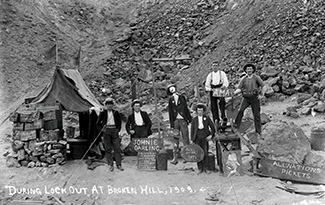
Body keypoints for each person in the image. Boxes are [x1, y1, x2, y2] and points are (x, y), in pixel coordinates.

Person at [233, 63, 266, 136]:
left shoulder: (256, 78)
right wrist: (234, 93)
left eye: (250, 69)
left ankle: (258, 132)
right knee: (240, 110)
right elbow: (239, 88)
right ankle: (236, 127)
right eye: (248, 69)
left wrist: (262, 95)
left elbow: (263, 86)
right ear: (245, 70)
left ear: (253, 70)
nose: (249, 70)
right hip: (246, 98)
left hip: (255, 98)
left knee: (256, 115)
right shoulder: (243, 79)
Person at [167, 84, 192, 165]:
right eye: (170, 89)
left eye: (173, 88)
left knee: (185, 138)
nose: (172, 90)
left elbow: (185, 108)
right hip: (175, 121)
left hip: (183, 119)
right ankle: (175, 157)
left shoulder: (182, 97)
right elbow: (170, 112)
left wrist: (189, 119)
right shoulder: (171, 100)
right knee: (175, 139)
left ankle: (187, 156)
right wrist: (172, 124)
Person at [96, 97, 123, 171]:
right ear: (106, 105)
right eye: (108, 104)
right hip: (106, 131)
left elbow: (119, 122)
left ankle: (119, 164)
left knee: (117, 147)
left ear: (113, 105)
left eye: (111, 104)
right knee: (108, 148)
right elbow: (98, 123)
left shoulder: (116, 112)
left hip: (114, 130)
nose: (109, 106)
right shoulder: (103, 113)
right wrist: (102, 130)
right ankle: (110, 164)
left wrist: (118, 130)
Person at [191, 103, 215, 174]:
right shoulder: (194, 119)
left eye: (201, 110)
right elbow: (192, 130)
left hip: (204, 135)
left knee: (205, 152)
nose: (200, 112)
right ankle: (200, 168)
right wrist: (192, 139)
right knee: (198, 152)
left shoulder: (207, 118)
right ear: (196, 111)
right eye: (198, 110)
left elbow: (212, 127)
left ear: (203, 111)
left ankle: (206, 168)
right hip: (197, 135)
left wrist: (211, 135)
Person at [205, 61, 229, 126]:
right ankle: (216, 120)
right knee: (213, 105)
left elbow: (226, 82)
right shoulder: (210, 75)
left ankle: (223, 116)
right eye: (213, 66)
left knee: (222, 101)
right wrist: (210, 89)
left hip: (220, 88)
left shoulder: (222, 73)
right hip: (213, 90)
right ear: (212, 67)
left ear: (218, 66)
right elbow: (207, 85)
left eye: (216, 65)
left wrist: (224, 86)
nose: (215, 67)